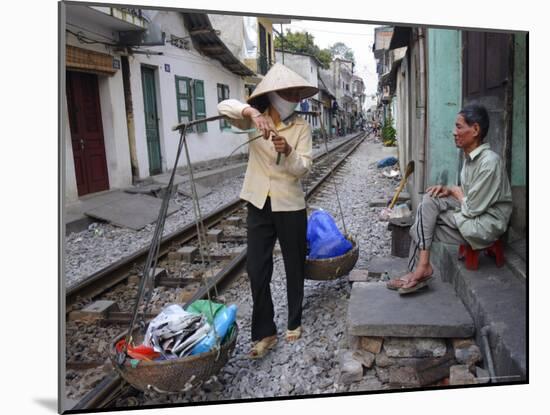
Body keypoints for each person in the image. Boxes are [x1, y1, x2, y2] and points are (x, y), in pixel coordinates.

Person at [217, 63, 318, 358]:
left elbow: (304, 168)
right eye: (289, 93)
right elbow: (225, 106)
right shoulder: (254, 119)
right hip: (259, 202)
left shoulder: (301, 127)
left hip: (290, 204)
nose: (294, 99)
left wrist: (287, 151)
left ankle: (294, 319)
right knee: (257, 269)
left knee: (293, 265)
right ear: (274, 95)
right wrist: (251, 112)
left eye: (297, 94)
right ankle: (265, 331)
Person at [386, 103, 513, 294]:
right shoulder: (470, 159)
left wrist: (454, 190)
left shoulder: (490, 162)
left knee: (423, 220)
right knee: (429, 202)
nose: (454, 132)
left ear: (476, 129)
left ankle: (420, 269)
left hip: (485, 223)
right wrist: (447, 190)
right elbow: (471, 193)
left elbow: (471, 208)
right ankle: (421, 268)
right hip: (473, 213)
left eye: (459, 127)